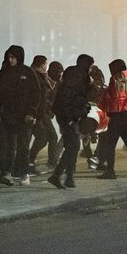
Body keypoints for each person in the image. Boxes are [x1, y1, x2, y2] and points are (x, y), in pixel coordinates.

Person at [0, 45, 40, 186]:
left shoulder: (28, 72)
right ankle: (7, 173)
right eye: (8, 57)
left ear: (19, 57)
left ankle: (23, 173)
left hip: (24, 117)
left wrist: (31, 112)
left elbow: (36, 93)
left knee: (23, 145)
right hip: (6, 116)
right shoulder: (4, 73)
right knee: (8, 146)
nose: (10, 59)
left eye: (13, 57)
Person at [47, 54, 94, 189]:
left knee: (72, 146)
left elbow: (80, 96)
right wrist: (68, 120)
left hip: (70, 116)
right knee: (73, 145)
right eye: (90, 67)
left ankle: (65, 177)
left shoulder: (77, 76)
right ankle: (60, 176)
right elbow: (67, 98)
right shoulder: (77, 77)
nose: (91, 70)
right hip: (67, 117)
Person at [28, 55, 59, 174]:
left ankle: (48, 162)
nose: (47, 66)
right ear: (42, 65)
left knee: (48, 137)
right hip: (36, 112)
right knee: (43, 137)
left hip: (42, 112)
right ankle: (29, 161)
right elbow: (39, 95)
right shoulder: (36, 76)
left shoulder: (43, 76)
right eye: (46, 64)